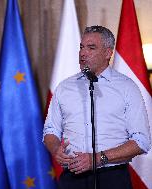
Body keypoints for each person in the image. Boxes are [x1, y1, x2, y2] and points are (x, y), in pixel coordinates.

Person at [43, 25, 151, 189]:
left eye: (91, 47)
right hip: (72, 178)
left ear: (108, 53)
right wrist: (56, 148)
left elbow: (141, 141)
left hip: (112, 177)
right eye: (81, 47)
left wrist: (98, 159)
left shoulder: (127, 88)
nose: (82, 53)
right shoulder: (64, 87)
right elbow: (50, 131)